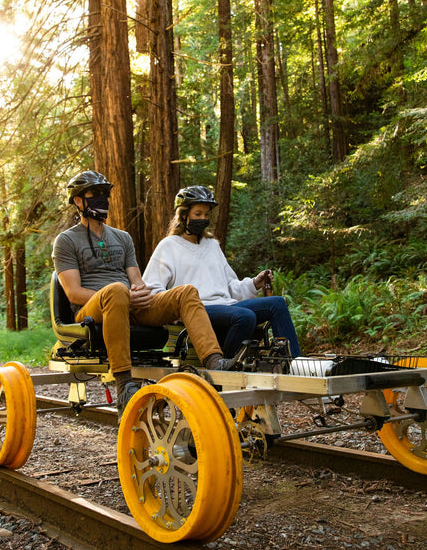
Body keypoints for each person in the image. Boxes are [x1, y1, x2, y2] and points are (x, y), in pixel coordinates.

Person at [52, 172, 234, 418]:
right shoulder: (66, 241)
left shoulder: (122, 238)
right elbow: (73, 293)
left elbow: (137, 281)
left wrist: (138, 292)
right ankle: (123, 384)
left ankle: (214, 361)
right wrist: (123, 295)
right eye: (95, 194)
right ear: (77, 201)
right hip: (91, 311)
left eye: (105, 194)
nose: (102, 198)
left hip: (128, 304)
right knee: (116, 290)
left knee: (186, 292)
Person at [142, 185, 302, 359]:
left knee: (277, 303)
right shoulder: (168, 246)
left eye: (206, 214)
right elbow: (152, 289)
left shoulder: (212, 245)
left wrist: (254, 283)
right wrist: (172, 311)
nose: (203, 219)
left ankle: (294, 363)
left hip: (227, 306)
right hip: (198, 309)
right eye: (198, 214)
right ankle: (226, 364)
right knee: (245, 316)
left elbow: (229, 285)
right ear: (183, 215)